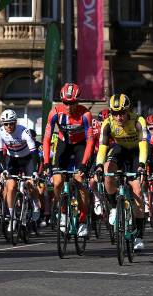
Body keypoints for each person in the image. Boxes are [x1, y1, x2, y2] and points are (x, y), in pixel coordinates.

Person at [95, 93, 148, 251]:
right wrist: (98, 165)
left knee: (138, 192)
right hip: (119, 150)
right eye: (115, 113)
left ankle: (138, 236)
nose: (118, 117)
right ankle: (113, 207)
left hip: (137, 153)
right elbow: (103, 148)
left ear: (128, 111)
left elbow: (144, 145)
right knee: (106, 169)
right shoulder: (108, 123)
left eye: (122, 113)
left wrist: (141, 165)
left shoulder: (138, 121)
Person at [42, 83, 94, 237]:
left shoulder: (85, 115)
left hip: (80, 146)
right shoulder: (55, 113)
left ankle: (83, 220)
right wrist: (46, 163)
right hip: (63, 144)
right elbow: (46, 139)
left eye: (72, 103)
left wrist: (84, 165)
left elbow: (90, 141)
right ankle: (63, 211)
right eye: (65, 102)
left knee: (79, 179)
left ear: (78, 101)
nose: (68, 106)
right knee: (57, 182)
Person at [0, 109, 41, 233]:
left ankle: (36, 204)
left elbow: (34, 151)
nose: (9, 126)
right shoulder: (0, 132)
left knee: (31, 183)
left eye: (11, 123)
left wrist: (35, 171)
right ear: (2, 124)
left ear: (16, 122)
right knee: (10, 186)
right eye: (6, 124)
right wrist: (4, 169)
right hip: (12, 159)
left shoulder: (24, 131)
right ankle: (12, 217)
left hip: (27, 159)